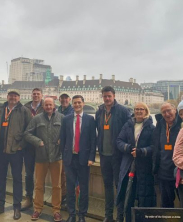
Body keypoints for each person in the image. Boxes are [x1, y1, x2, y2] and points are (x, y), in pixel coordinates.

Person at [0, 89, 32, 220]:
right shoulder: (0, 109)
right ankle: (0, 205)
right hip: (1, 150)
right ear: (7, 97)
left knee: (17, 179)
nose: (13, 98)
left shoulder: (24, 111)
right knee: (0, 178)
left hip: (16, 151)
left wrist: (22, 145)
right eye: (11, 95)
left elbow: (29, 130)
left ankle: (16, 207)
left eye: (15, 96)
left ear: (19, 98)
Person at [24, 98, 64, 221]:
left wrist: (62, 140)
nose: (48, 107)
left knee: (57, 186)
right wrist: (38, 141)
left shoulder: (62, 118)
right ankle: (37, 209)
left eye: (50, 105)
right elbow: (27, 134)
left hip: (57, 157)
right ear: (43, 106)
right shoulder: (37, 119)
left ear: (54, 106)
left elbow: (68, 133)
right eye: (46, 105)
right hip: (41, 157)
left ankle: (56, 210)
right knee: (39, 185)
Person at [95, 86, 131, 222]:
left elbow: (130, 129)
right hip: (104, 155)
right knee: (107, 185)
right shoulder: (99, 111)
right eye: (105, 96)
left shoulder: (123, 111)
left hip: (118, 156)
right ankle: (108, 215)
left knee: (119, 186)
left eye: (109, 96)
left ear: (114, 96)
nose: (107, 98)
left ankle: (120, 215)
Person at [116, 102, 156, 222]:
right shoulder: (127, 125)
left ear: (146, 111)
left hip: (144, 166)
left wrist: (141, 151)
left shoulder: (151, 128)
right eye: (136, 109)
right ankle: (127, 218)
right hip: (128, 165)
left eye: (141, 109)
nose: (138, 111)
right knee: (128, 196)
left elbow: (154, 147)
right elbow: (119, 141)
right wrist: (128, 148)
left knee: (144, 196)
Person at [60, 95, 96, 222]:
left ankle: (82, 214)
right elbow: (63, 139)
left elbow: (93, 140)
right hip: (70, 159)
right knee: (70, 188)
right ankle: (71, 214)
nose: (77, 105)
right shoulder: (66, 119)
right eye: (75, 103)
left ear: (83, 104)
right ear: (72, 104)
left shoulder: (90, 119)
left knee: (84, 189)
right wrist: (64, 157)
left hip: (84, 159)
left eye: (79, 103)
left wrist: (91, 157)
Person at [152, 102, 182, 208]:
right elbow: (156, 146)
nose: (167, 114)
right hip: (163, 171)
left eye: (169, 110)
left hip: (180, 170)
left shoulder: (182, 124)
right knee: (166, 204)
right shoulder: (160, 125)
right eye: (164, 112)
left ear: (175, 110)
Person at [21, 88, 44, 211]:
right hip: (28, 146)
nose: (36, 96)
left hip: (42, 145)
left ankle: (39, 199)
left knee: (41, 175)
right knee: (29, 174)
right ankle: (29, 197)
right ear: (31, 95)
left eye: (38, 94)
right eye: (34, 94)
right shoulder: (25, 107)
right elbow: (21, 126)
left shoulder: (47, 106)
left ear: (41, 95)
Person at [57, 92, 74, 207]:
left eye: (66, 98)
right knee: (60, 175)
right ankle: (62, 196)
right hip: (58, 148)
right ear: (59, 100)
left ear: (69, 99)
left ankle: (68, 198)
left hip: (69, 148)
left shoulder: (72, 111)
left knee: (68, 175)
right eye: (62, 98)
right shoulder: (56, 110)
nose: (64, 100)